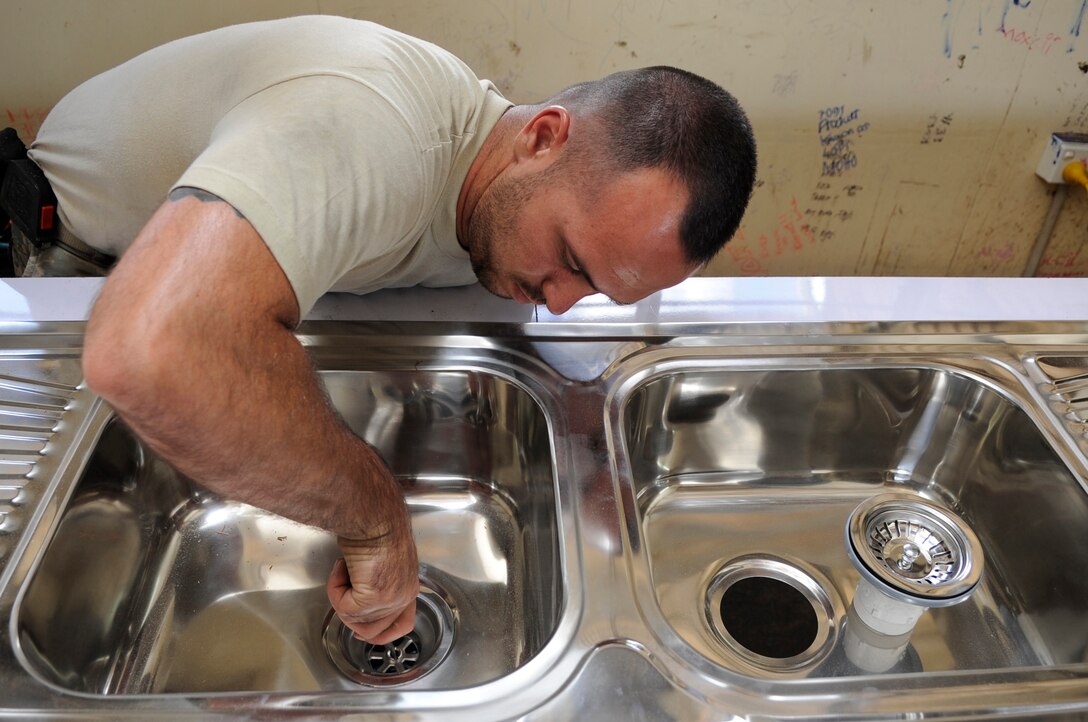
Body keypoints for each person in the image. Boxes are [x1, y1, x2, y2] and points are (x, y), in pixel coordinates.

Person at [17, 15, 756, 645]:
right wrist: (374, 516)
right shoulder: (370, 127)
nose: (559, 303)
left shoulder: (496, 200)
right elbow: (147, 352)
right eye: (568, 260)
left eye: (595, 289)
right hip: (57, 269)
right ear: (541, 136)